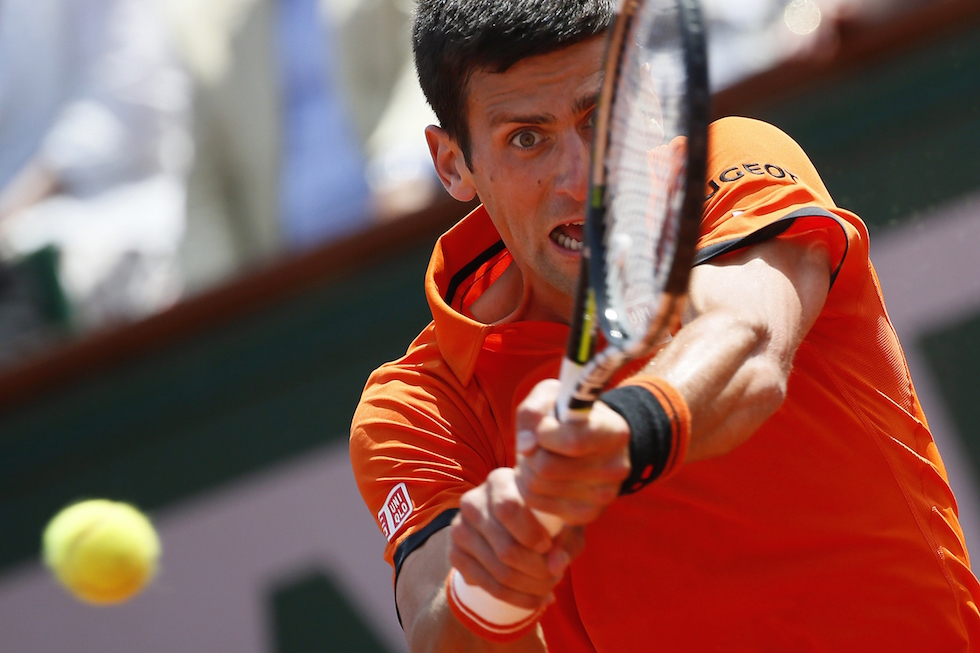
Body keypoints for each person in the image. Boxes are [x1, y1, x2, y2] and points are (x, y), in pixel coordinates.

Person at [350, 0, 980, 651]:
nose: (582, 178)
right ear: (451, 161)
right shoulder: (418, 405)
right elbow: (438, 629)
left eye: (601, 116)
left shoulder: (735, 160)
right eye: (527, 138)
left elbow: (750, 337)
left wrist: (617, 436)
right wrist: (492, 587)